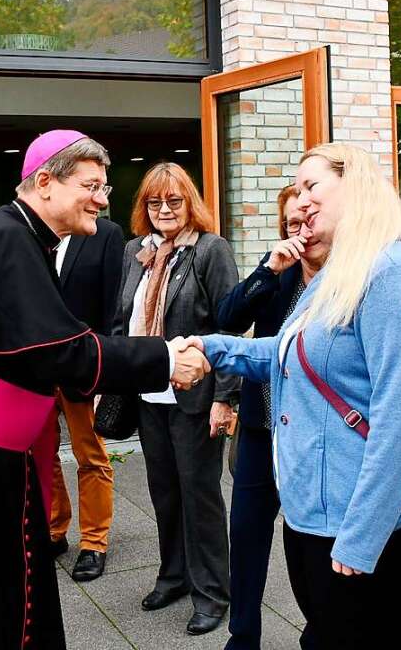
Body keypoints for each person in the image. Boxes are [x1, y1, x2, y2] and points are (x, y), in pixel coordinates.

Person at [0, 130, 210, 650]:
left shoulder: (16, 235)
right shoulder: (7, 239)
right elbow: (61, 351)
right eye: (91, 185)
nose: (103, 197)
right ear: (45, 183)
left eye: (103, 187)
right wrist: (163, 358)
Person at [195, 144, 401, 650]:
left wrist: (361, 540)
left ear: (354, 186)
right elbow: (288, 352)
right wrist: (209, 349)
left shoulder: (396, 279)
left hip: (369, 527)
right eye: (297, 187)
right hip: (316, 513)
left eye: (312, 185)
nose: (300, 199)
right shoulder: (336, 273)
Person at [113, 162, 239, 636]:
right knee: (164, 493)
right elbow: (121, 316)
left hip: (197, 397)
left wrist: (226, 398)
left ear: (190, 204)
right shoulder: (135, 252)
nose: (164, 210)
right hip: (150, 395)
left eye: (174, 201)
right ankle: (174, 576)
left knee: (200, 496)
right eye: (154, 202)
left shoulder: (210, 250)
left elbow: (230, 328)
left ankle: (212, 592)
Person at [216, 184, 327, 650]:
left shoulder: (344, 278)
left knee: (311, 545)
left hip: (314, 436)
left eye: (306, 223)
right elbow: (227, 316)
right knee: (246, 535)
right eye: (290, 225)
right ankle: (243, 635)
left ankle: (319, 629)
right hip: (263, 429)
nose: (299, 233)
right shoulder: (278, 272)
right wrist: (268, 268)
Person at [49, 215, 124, 582]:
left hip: (82, 367)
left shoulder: (105, 234)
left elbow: (112, 309)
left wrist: (105, 376)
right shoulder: (29, 234)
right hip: (36, 369)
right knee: (40, 456)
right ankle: (53, 530)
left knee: (90, 456)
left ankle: (94, 543)